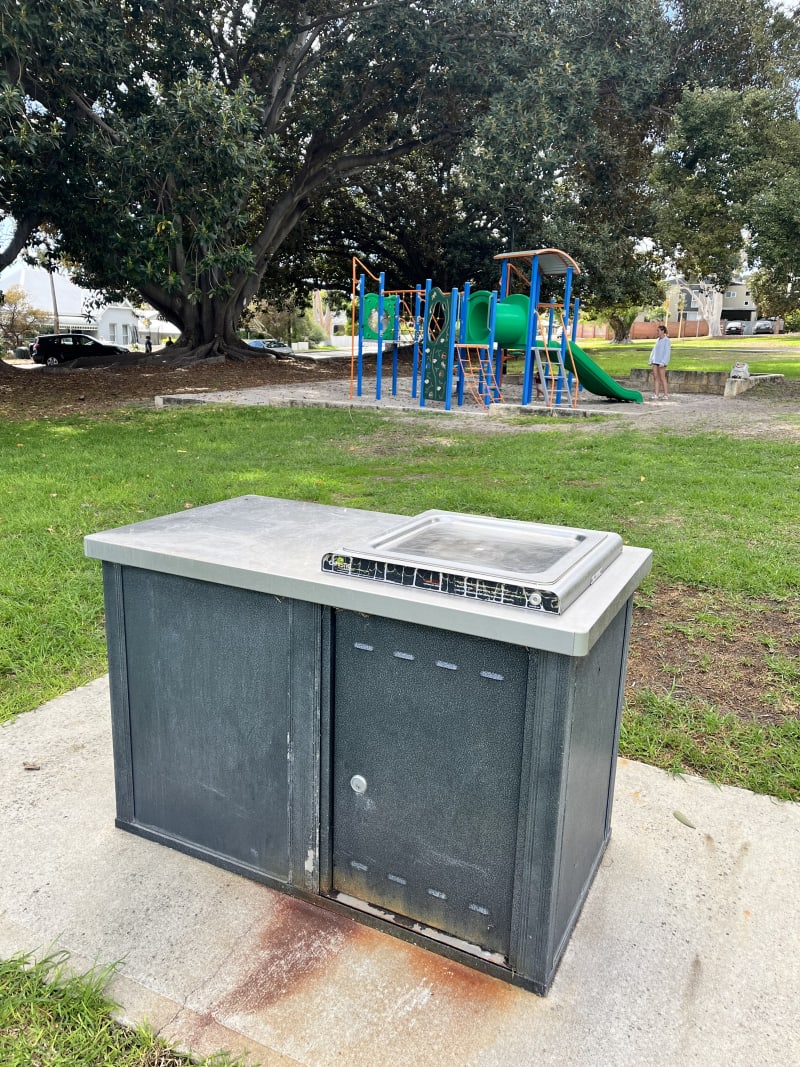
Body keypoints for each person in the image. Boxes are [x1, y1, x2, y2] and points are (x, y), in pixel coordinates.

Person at [648, 324, 671, 399]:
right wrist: (651, 360)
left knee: (662, 378)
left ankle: (666, 395)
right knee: (655, 377)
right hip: (655, 361)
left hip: (661, 362)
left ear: (662, 331)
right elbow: (654, 351)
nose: (657, 332)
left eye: (658, 331)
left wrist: (663, 362)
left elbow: (667, 352)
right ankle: (656, 395)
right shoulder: (657, 340)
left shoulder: (667, 340)